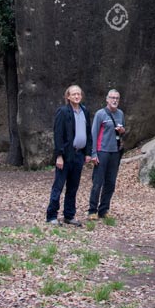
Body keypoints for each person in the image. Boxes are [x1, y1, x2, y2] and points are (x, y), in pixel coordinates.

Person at [46, 84, 92, 226]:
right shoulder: (63, 112)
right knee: (58, 186)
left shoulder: (84, 111)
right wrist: (59, 156)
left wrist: (88, 153)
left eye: (78, 94)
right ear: (68, 96)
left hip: (79, 155)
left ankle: (69, 215)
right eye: (74, 94)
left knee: (73, 187)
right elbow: (58, 134)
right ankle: (52, 216)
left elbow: (88, 133)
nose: (77, 96)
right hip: (66, 155)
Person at [87, 89, 126, 220]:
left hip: (115, 152)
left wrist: (122, 130)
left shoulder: (120, 114)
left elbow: (122, 131)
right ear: (107, 99)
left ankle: (104, 210)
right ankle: (92, 210)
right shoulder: (100, 114)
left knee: (111, 183)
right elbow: (94, 134)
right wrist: (93, 154)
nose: (114, 100)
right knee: (98, 182)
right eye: (112, 98)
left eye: (117, 98)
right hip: (102, 151)